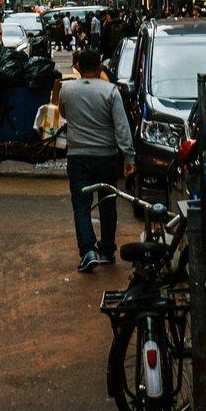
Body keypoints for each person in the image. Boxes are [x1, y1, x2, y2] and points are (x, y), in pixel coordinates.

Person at [55, 46, 134, 272]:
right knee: (108, 204)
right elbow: (122, 127)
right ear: (100, 66)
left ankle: (88, 251)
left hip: (78, 157)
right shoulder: (111, 91)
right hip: (107, 156)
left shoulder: (66, 90)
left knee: (81, 205)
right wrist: (129, 156)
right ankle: (108, 251)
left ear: (77, 67)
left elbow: (63, 114)